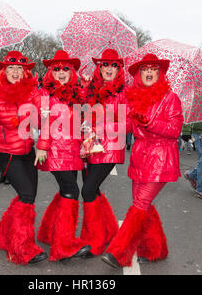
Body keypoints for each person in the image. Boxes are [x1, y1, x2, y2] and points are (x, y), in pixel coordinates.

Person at [102, 53, 183, 268]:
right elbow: (126, 126)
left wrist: (149, 123)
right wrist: (101, 127)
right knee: (142, 205)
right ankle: (154, 249)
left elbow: (175, 131)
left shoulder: (170, 98)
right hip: (139, 156)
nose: (149, 72)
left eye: (153, 69)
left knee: (140, 204)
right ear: (139, 74)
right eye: (145, 69)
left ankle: (119, 252)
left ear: (160, 73)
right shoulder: (133, 97)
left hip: (161, 158)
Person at [0, 51, 48, 265]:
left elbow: (44, 121)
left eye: (20, 69)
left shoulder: (32, 92)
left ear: (25, 72)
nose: (15, 72)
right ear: (3, 71)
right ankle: (21, 248)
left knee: (30, 196)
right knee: (26, 195)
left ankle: (4, 236)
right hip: (5, 152)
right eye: (11, 68)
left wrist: (43, 136)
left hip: (28, 151)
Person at [35, 50, 92, 262]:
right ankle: (63, 246)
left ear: (73, 72)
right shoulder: (45, 94)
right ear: (50, 72)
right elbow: (43, 123)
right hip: (56, 150)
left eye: (65, 69)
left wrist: (86, 87)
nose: (61, 72)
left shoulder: (77, 92)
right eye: (56, 68)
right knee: (71, 191)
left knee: (65, 190)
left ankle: (49, 232)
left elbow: (85, 116)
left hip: (74, 150)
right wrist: (42, 147)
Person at [75, 49, 126, 258]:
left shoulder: (124, 92)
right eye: (105, 64)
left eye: (114, 65)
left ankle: (95, 240)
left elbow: (127, 122)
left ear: (119, 69)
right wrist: (84, 89)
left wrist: (102, 126)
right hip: (89, 147)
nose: (109, 68)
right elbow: (80, 110)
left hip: (110, 149)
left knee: (87, 190)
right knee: (92, 191)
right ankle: (107, 231)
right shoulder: (92, 88)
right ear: (99, 67)